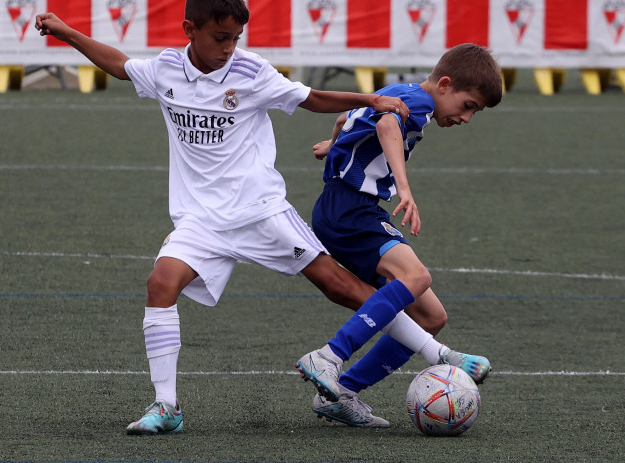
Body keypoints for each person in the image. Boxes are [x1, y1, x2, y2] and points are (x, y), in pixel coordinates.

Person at [33, 0, 423, 436]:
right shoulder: (166, 69)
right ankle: (166, 406)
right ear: (189, 29)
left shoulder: (250, 72)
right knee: (161, 283)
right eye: (221, 38)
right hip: (201, 221)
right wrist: (66, 32)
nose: (229, 48)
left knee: (342, 287)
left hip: (258, 210)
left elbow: (311, 98)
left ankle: (439, 354)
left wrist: (370, 98)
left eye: (236, 38)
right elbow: (121, 65)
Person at [296, 43, 502, 428]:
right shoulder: (419, 105)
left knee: (430, 315)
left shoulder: (402, 91)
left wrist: (334, 144)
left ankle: (342, 393)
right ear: (444, 85)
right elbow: (386, 124)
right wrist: (404, 189)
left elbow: (347, 117)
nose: (468, 117)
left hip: (347, 208)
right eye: (469, 105)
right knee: (417, 277)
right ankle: (329, 355)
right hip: (350, 209)